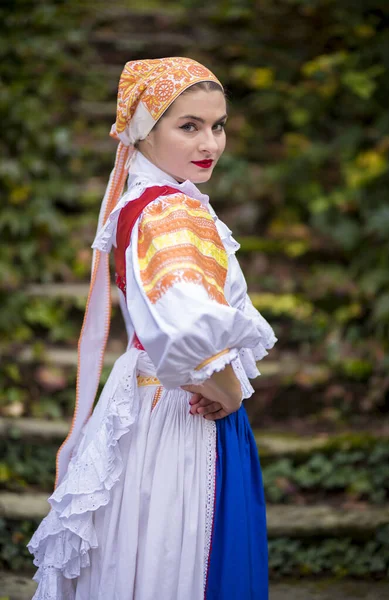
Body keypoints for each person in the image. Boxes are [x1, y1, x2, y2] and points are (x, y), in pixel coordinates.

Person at [27, 56, 277, 600]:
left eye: (218, 125)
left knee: (139, 552)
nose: (209, 142)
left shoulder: (141, 200)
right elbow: (186, 329)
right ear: (145, 129)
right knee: (175, 555)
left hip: (147, 400)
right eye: (188, 126)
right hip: (184, 413)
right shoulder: (168, 212)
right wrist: (230, 391)